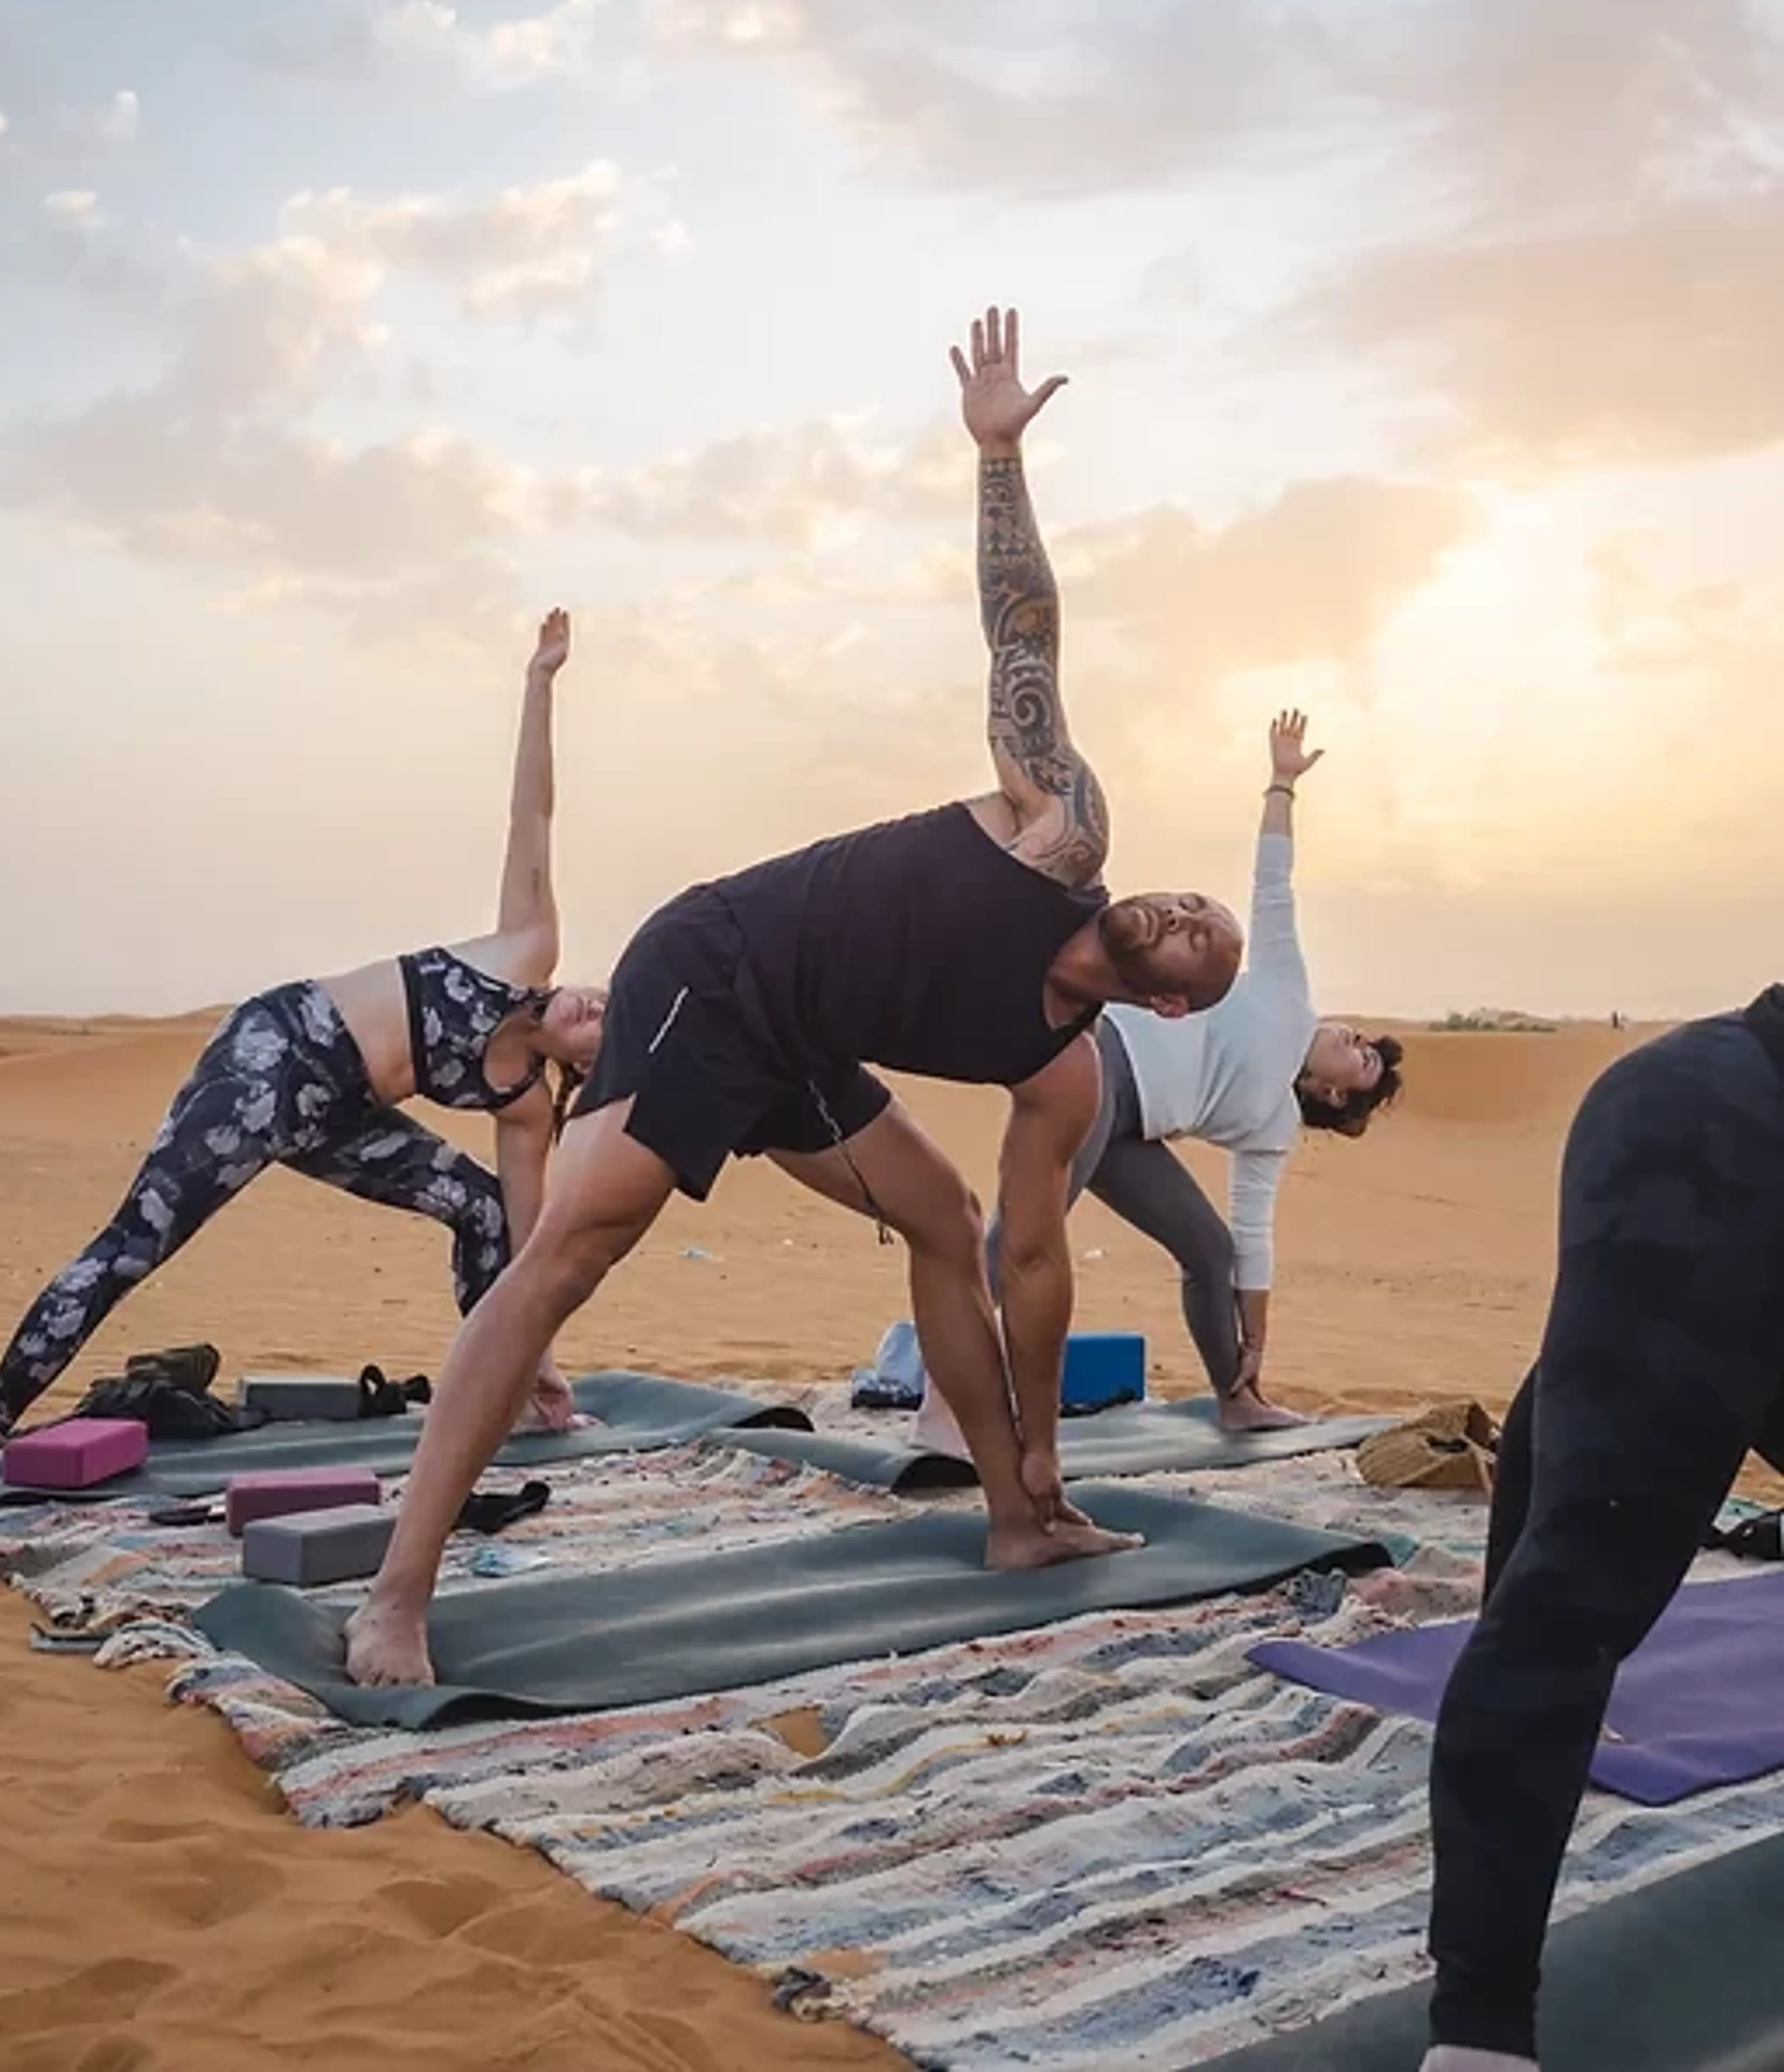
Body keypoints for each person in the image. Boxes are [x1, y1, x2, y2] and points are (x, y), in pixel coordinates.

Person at [345, 304, 1245, 1688]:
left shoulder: (1060, 1065)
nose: (1182, 913)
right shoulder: (1059, 829)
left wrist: (1049, 1435)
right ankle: (398, 1592)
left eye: (1203, 941)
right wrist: (998, 458)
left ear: (1177, 1009)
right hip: (717, 965)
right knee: (574, 1254)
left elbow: (1031, 1254)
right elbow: (1024, 641)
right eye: (1193, 896)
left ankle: (1018, 1518)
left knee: (946, 1219)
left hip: (808, 1039)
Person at [0, 609, 603, 1488]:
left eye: (606, 1024)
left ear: (582, 1069)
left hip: (344, 1115)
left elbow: (526, 1253)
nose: (596, 1001)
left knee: (481, 1210)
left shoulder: (523, 1107)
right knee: (138, 1242)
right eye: (608, 993)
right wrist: (540, 682)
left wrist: (541, 1359)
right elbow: (534, 812)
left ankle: (497, 1393)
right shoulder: (527, 944)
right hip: (276, 1056)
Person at [1419, 984, 1784, 2072]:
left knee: (1593, 1455)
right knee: (1581, 1576)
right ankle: (1478, 2035)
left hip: (1707, 1121)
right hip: (1729, 1128)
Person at [913, 711, 1403, 1446]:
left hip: (1128, 1132)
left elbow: (1252, 1240)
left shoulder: (1272, 1127)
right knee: (1021, 1235)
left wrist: (1256, 1350)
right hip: (1099, 1067)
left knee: (1208, 1250)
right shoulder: (1288, 988)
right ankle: (944, 1401)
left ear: (1334, 1094)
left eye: (1361, 1058)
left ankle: (1237, 1399)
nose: (1353, 1037)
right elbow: (1275, 882)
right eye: (1365, 1040)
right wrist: (1281, 783)